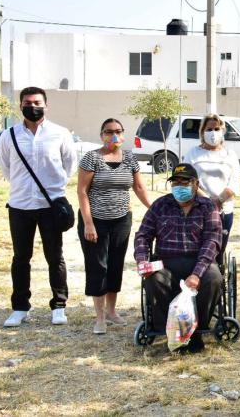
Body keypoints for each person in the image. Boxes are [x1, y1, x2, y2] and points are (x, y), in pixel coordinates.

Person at [0, 86, 78, 327]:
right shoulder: (9, 135)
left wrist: (53, 187)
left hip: (50, 205)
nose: (32, 107)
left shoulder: (60, 133)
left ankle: (59, 305)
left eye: (37, 103)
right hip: (20, 205)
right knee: (21, 258)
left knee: (55, 256)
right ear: (20, 105)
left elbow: (69, 165)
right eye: (27, 103)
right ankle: (20, 307)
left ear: (46, 105)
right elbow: (6, 169)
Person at [134, 164, 222, 354]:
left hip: (199, 262)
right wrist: (142, 260)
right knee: (154, 279)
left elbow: (212, 241)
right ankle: (170, 331)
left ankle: (196, 330)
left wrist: (196, 274)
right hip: (166, 262)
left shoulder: (208, 207)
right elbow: (143, 235)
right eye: (175, 182)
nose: (179, 186)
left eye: (185, 181)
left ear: (196, 184)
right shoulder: (160, 205)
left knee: (214, 278)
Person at [77, 118, 151, 334]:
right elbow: (82, 191)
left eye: (118, 131)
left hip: (121, 220)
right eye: (109, 132)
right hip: (96, 221)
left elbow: (138, 187)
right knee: (98, 266)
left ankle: (111, 311)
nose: (114, 136)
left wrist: (156, 208)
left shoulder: (129, 158)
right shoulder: (92, 158)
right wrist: (88, 223)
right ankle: (99, 317)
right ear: (102, 135)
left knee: (115, 264)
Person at [183, 114, 240, 254]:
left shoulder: (230, 154)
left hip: (224, 210)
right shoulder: (193, 153)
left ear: (222, 131)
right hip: (197, 209)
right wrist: (208, 201)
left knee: (219, 248)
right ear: (202, 131)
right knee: (197, 248)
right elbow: (186, 179)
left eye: (216, 129)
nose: (213, 133)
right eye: (209, 129)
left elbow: (234, 182)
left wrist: (219, 200)